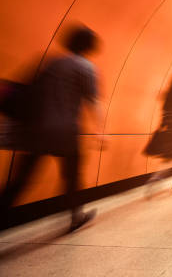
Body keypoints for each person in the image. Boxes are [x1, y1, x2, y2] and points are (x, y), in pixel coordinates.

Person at [0, 25, 102, 231]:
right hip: (65, 131)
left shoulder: (52, 63)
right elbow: (93, 101)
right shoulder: (86, 67)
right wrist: (100, 131)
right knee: (72, 175)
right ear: (89, 46)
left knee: (20, 180)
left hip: (37, 130)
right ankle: (76, 216)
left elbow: (28, 91)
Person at [145, 72, 172, 193]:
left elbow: (164, 116)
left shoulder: (168, 97)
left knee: (169, 157)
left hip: (170, 130)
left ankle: (157, 176)